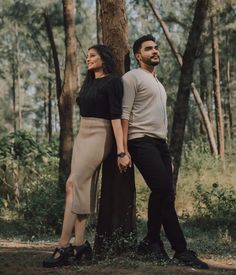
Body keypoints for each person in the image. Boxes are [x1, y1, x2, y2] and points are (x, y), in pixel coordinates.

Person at [121, 35, 209, 270]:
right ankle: (167, 245)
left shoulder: (158, 83)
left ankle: (165, 244)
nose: (155, 51)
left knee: (166, 196)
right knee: (161, 189)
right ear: (139, 55)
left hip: (160, 143)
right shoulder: (131, 77)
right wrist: (122, 150)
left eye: (156, 48)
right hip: (140, 141)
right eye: (149, 49)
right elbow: (124, 114)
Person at [43, 44, 130, 268]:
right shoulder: (90, 81)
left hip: (101, 135)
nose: (88, 59)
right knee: (82, 188)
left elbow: (115, 117)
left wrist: (121, 150)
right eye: (87, 56)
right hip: (83, 135)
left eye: (92, 56)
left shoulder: (113, 81)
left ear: (104, 58)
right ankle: (80, 244)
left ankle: (63, 247)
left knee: (72, 184)